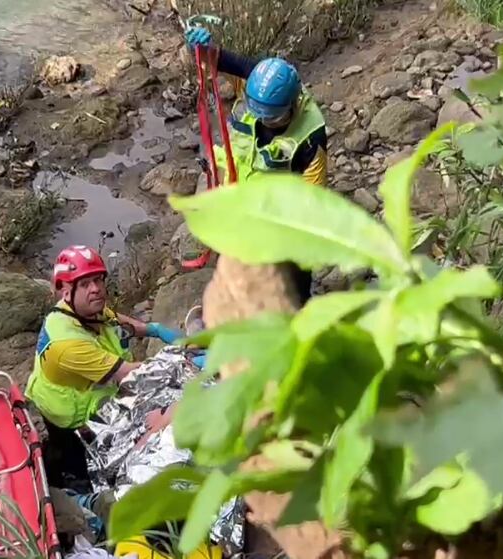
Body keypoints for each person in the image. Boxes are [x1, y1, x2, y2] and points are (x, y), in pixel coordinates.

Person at [25, 245, 200, 489]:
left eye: (98, 280)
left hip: (81, 396)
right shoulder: (67, 344)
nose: (96, 289)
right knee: (78, 461)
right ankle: (71, 485)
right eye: (85, 284)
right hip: (70, 415)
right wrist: (186, 360)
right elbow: (133, 373)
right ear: (66, 292)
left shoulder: (85, 310)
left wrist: (154, 329)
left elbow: (120, 322)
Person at [185, 26, 328, 302]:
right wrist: (199, 47)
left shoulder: (310, 138)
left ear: (293, 105)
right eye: (259, 114)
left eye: (274, 119)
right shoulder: (253, 79)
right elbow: (215, 59)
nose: (265, 123)